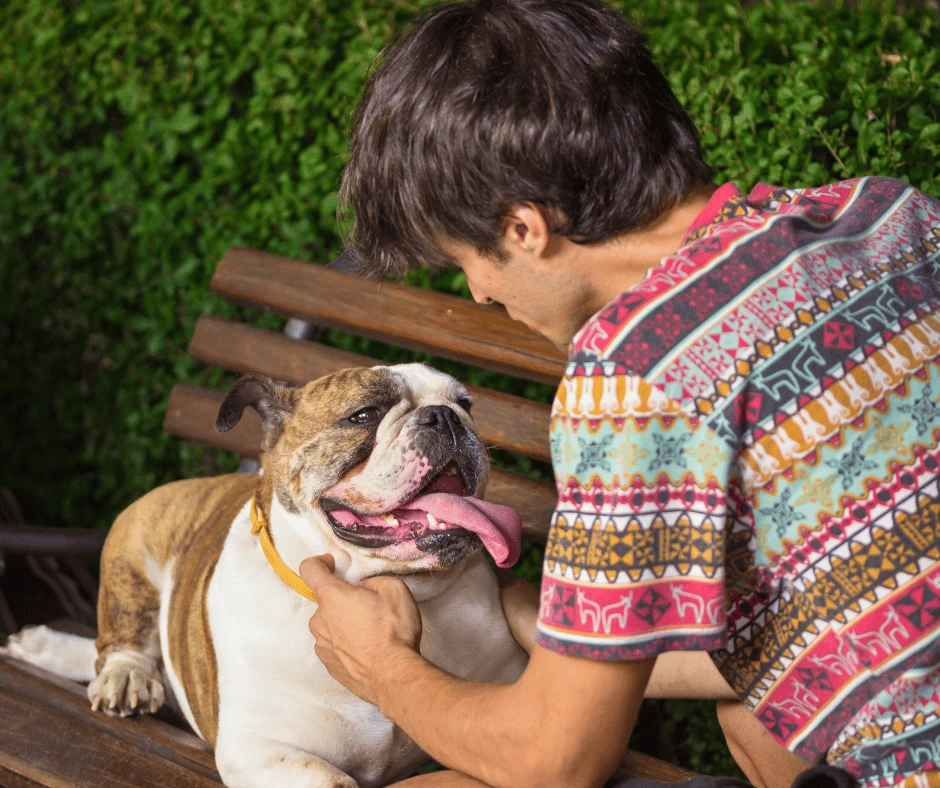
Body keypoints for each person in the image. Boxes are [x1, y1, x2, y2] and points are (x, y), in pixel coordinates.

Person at [297, 1, 940, 787]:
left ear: (524, 228)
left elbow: (554, 761)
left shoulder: (634, 372)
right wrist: (529, 618)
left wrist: (381, 666)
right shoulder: (891, 215)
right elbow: (834, 610)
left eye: (467, 260)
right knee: (753, 714)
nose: (480, 292)